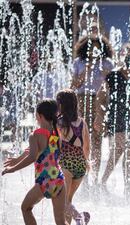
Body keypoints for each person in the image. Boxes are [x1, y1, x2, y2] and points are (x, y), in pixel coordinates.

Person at [2, 99, 67, 225]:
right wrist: (17, 159)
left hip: (44, 182)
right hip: (59, 180)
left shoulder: (35, 135)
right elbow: (35, 151)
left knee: (25, 208)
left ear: (39, 115)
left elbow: (32, 156)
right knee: (60, 221)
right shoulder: (56, 133)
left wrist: (13, 168)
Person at [94, 47, 130, 197]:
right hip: (113, 117)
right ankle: (127, 184)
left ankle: (108, 182)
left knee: (120, 150)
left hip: (125, 118)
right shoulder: (113, 76)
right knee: (129, 147)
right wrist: (99, 116)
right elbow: (100, 96)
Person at [70, 35, 114, 185]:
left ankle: (95, 177)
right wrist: (86, 69)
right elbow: (73, 85)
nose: (94, 50)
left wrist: (104, 74)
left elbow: (113, 84)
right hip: (82, 100)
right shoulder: (79, 62)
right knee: (81, 139)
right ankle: (83, 177)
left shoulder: (107, 63)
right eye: (91, 46)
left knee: (97, 139)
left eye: (97, 47)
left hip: (100, 101)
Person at [56, 89, 91, 224]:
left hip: (66, 164)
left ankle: (79, 217)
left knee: (63, 202)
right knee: (68, 201)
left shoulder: (59, 122)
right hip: (80, 165)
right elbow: (87, 146)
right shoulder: (82, 122)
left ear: (61, 105)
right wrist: (86, 161)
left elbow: (55, 144)